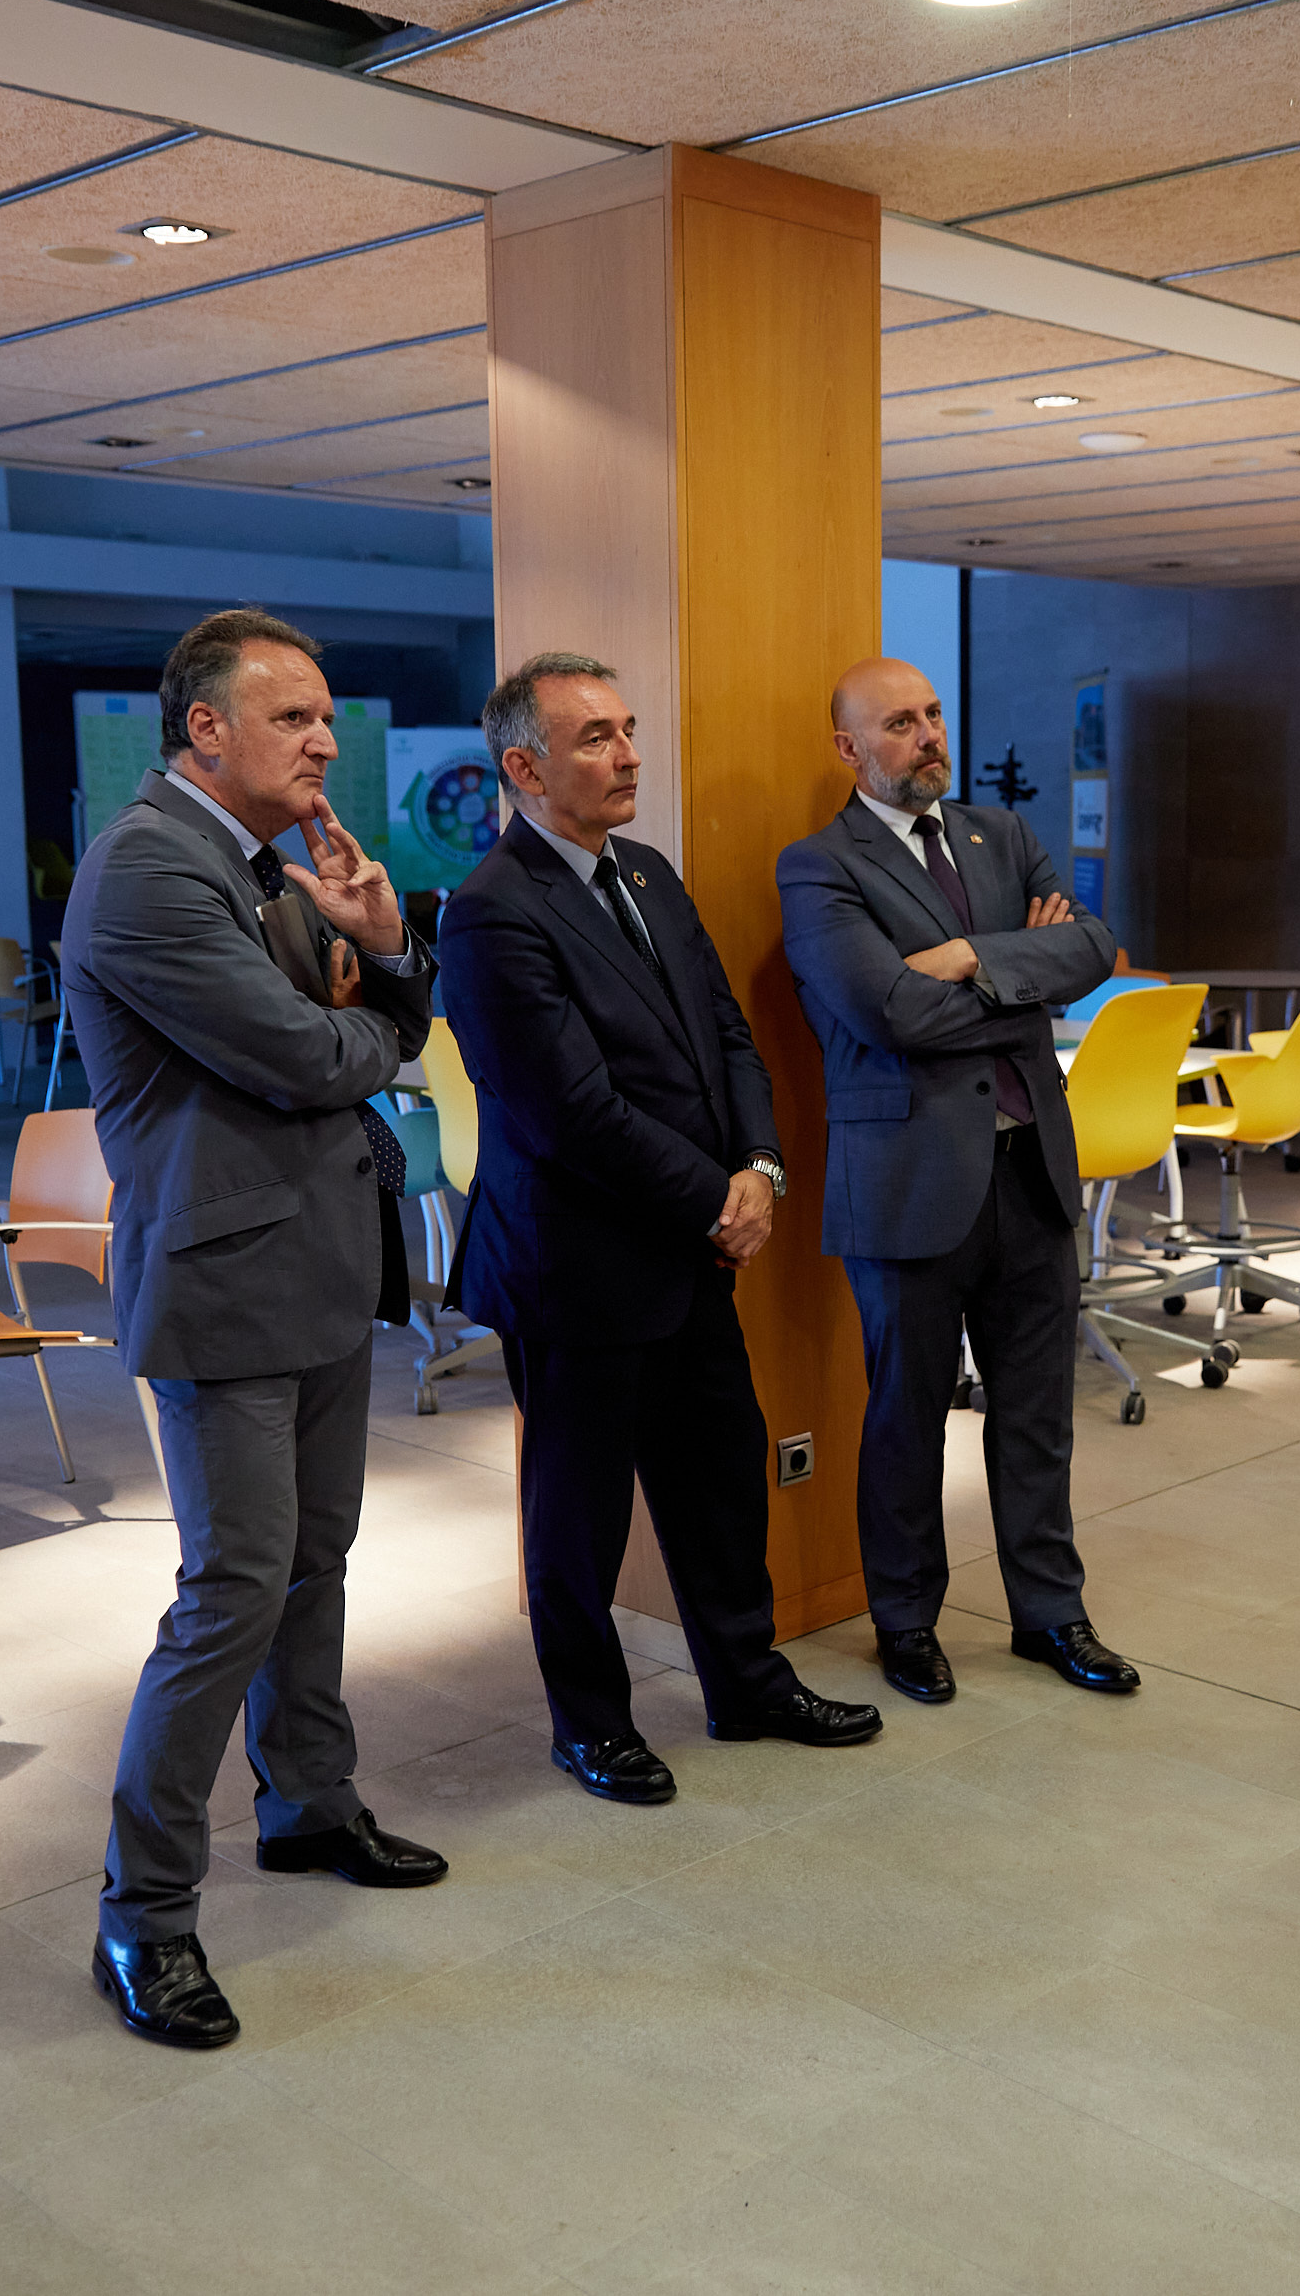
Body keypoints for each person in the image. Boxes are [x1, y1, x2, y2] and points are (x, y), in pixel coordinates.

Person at [62, 607, 450, 2050]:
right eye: (294, 717)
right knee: (229, 1591)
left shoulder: (264, 866)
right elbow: (300, 1052)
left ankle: (308, 1803)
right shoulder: (148, 868)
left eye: (327, 717)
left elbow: (360, 1021)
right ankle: (144, 1915)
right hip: (226, 1281)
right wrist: (377, 1039)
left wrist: (384, 943)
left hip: (320, 1263)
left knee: (313, 1562)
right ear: (205, 728)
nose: (326, 743)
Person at [437, 649, 882, 1805]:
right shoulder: (490, 910)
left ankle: (746, 1684)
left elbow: (725, 1036)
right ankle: (589, 1724)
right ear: (524, 768)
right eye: (595, 738)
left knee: (719, 1478)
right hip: (576, 1263)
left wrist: (761, 1167)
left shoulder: (645, 872)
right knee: (576, 1515)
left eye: (628, 729)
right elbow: (568, 1111)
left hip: (689, 1246)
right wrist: (716, 1198)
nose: (629, 755)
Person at [777, 655, 1136, 1706]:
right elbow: (884, 1011)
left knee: (1038, 1413)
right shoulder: (819, 866)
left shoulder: (1000, 836)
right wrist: (1020, 967)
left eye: (932, 714)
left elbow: (1094, 947)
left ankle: (1051, 1613)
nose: (929, 734)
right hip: (907, 1181)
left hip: (1030, 1174)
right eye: (900, 722)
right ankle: (904, 1619)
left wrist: (969, 958)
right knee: (906, 1415)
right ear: (848, 748)